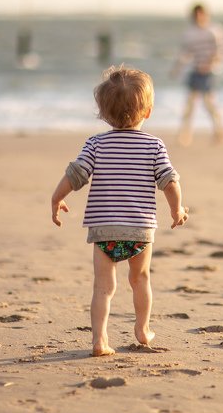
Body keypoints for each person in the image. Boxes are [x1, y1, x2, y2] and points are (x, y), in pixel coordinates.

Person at [50, 66, 189, 357]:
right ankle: (143, 329)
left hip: (104, 230)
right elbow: (169, 181)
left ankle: (99, 340)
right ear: (148, 111)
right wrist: (176, 210)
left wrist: (57, 197)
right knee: (140, 279)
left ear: (103, 113)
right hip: (139, 230)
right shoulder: (154, 145)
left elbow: (76, 175)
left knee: (103, 287)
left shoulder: (95, 144)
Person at [172, 3, 223, 145]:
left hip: (210, 71)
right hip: (195, 70)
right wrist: (177, 68)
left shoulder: (215, 30)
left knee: (209, 103)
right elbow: (185, 53)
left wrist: (210, 64)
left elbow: (221, 51)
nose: (198, 17)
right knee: (190, 104)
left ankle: (219, 131)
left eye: (200, 14)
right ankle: (185, 135)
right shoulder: (189, 33)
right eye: (196, 14)